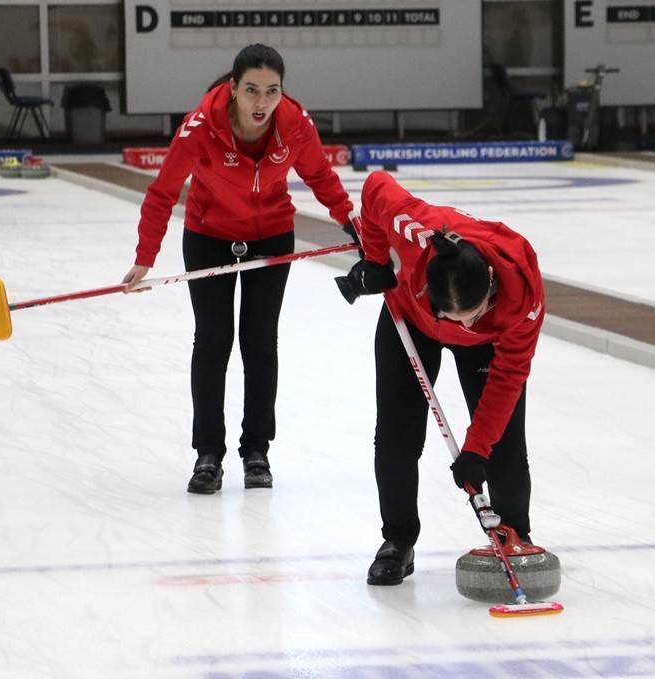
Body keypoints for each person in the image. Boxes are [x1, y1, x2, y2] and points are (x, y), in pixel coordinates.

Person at [123, 44, 358, 495]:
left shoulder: (295, 124)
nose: (261, 102)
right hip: (208, 235)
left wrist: (353, 224)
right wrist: (144, 257)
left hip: (271, 235)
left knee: (259, 342)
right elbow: (162, 192)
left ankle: (256, 452)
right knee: (213, 342)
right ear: (233, 89)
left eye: (272, 91)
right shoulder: (199, 127)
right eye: (251, 90)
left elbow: (321, 178)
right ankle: (208, 454)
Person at [335, 171, 545, 586]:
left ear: (489, 281)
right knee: (396, 436)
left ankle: (514, 536)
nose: (462, 324)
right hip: (411, 323)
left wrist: (476, 449)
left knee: (503, 446)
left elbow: (508, 377)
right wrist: (376, 261)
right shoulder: (417, 231)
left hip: (487, 343)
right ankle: (397, 540)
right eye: (450, 313)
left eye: (471, 314)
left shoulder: (522, 295)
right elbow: (375, 187)